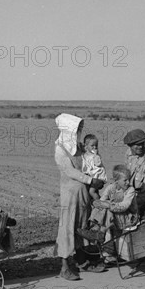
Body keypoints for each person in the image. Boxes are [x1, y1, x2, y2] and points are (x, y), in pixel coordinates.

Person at [53, 114, 106, 280]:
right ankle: (64, 266)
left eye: (80, 129)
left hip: (83, 194)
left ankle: (82, 261)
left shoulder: (77, 146)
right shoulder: (60, 149)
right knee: (68, 227)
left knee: (82, 226)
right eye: (76, 129)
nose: (78, 132)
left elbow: (89, 161)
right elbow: (70, 171)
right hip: (70, 195)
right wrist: (91, 180)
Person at [78, 164, 137, 243]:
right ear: (116, 181)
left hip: (128, 218)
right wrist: (97, 203)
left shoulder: (130, 190)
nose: (128, 182)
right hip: (117, 216)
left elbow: (124, 206)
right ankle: (95, 230)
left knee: (108, 206)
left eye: (128, 179)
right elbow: (102, 200)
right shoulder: (111, 188)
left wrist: (108, 205)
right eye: (125, 180)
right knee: (103, 204)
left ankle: (100, 233)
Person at [124, 129, 145, 215]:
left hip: (140, 198)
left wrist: (132, 203)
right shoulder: (129, 154)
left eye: (142, 144)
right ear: (130, 145)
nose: (141, 147)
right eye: (137, 144)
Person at [81, 134, 107, 201]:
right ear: (86, 146)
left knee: (92, 192)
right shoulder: (84, 156)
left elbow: (97, 163)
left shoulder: (96, 156)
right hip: (91, 177)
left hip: (98, 177)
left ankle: (99, 203)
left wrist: (95, 154)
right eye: (92, 146)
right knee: (89, 192)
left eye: (96, 145)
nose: (95, 147)